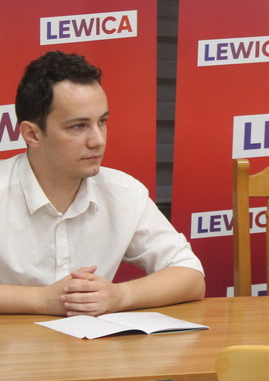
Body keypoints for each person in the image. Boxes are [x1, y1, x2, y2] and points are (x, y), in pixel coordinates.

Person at [0, 51, 205, 316]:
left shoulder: (123, 192)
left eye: (102, 122)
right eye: (78, 126)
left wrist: (120, 296)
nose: (97, 140)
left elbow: (190, 275)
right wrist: (40, 300)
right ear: (32, 134)